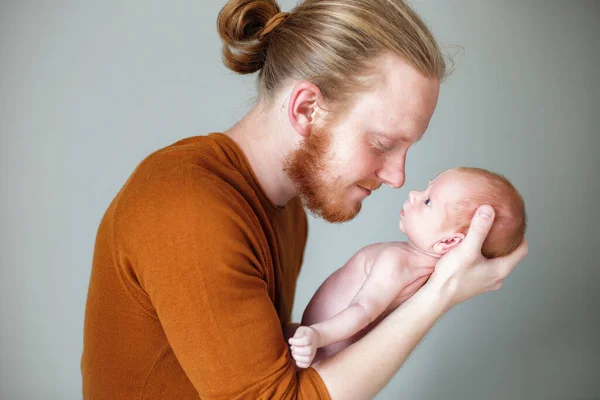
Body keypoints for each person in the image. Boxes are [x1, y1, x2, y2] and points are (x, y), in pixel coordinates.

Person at [81, 0, 528, 399]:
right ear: (306, 109)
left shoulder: (289, 210)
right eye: (383, 143)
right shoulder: (188, 207)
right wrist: (442, 292)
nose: (397, 177)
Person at [289, 167, 527, 368]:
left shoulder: (398, 263)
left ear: (448, 242)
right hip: (316, 345)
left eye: (428, 201)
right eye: (426, 189)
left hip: (317, 346)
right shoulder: (427, 276)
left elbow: (363, 310)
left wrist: (318, 335)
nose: (414, 194)